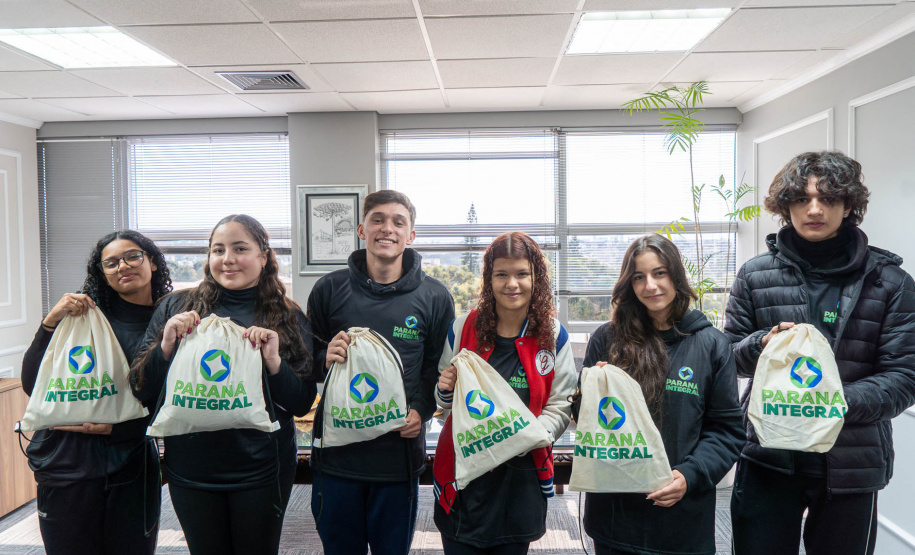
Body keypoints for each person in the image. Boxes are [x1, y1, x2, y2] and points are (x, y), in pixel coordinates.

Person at [726, 151, 915, 555]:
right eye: (801, 199)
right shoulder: (754, 275)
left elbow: (904, 377)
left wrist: (827, 402)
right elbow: (727, 357)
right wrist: (761, 344)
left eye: (828, 199)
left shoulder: (891, 282)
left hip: (851, 462)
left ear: (849, 206)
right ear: (785, 207)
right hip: (767, 457)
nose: (814, 209)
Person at [130, 214, 317, 555]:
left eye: (239, 248)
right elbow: (141, 389)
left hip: (264, 467)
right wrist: (167, 345)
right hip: (190, 468)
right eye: (218, 250)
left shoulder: (287, 316)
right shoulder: (176, 308)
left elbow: (303, 402)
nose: (227, 258)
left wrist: (273, 362)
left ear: (263, 256)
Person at [307, 189, 455, 555]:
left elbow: (437, 369)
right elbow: (304, 361)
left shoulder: (435, 296)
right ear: (361, 229)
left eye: (398, 222)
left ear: (411, 235)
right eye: (377, 220)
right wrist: (324, 356)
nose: (386, 228)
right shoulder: (329, 289)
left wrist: (421, 410)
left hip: (397, 459)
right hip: (337, 459)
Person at [578, 234, 744, 555]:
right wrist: (591, 393)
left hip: (681, 521)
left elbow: (727, 431)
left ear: (676, 276)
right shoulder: (608, 339)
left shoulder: (711, 345)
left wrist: (689, 475)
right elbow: (585, 420)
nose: (650, 286)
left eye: (659, 273)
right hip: (615, 517)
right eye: (639, 277)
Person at [20, 230, 172, 555]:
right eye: (111, 262)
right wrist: (49, 323)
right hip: (66, 461)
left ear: (154, 262)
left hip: (130, 463)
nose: (122, 266)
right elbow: (34, 386)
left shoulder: (169, 324)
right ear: (102, 272)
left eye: (132, 256)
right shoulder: (82, 318)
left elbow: (173, 398)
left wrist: (121, 427)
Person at [432, 232, 577, 555]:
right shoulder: (461, 328)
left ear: (535, 277)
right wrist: (443, 390)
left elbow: (560, 407)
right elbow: (443, 405)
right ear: (489, 278)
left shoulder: (553, 336)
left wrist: (522, 438)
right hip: (465, 480)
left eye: (522, 274)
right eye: (502, 274)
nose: (512, 283)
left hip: (520, 480)